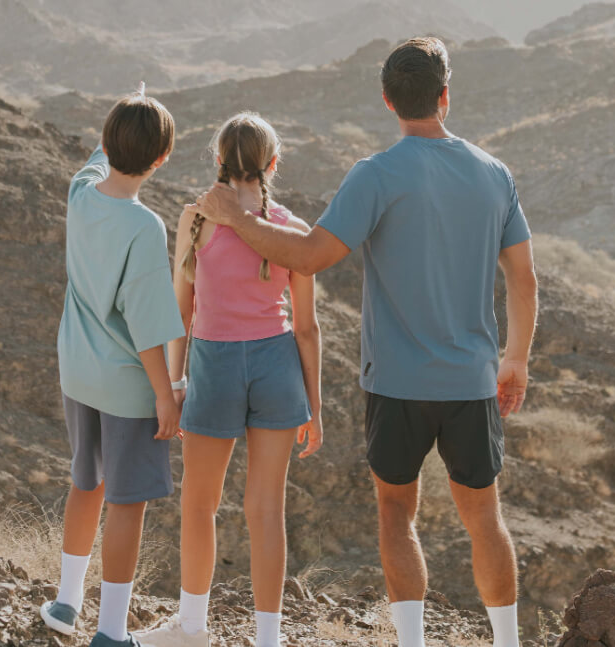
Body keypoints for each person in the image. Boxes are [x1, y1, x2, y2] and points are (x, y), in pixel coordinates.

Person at [191, 37, 539, 647]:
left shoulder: (375, 176)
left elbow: (307, 257)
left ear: (388, 102)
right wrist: (515, 359)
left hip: (397, 382)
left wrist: (237, 220)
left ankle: (412, 642)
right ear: (445, 97)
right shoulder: (494, 174)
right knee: (485, 518)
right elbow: (524, 277)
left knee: (396, 512)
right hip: (473, 380)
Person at [135, 113, 322, 647]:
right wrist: (315, 407)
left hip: (214, 365)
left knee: (200, 504)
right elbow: (307, 329)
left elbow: (181, 311)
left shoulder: (195, 219)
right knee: (266, 509)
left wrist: (173, 384)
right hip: (278, 367)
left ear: (218, 161)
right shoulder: (293, 230)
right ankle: (268, 639)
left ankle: (192, 627)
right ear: (272, 164)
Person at [43, 88, 188, 647]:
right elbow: (149, 329)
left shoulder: (80, 194)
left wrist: (132, 104)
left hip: (78, 373)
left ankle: (66, 602)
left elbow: (95, 160)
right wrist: (166, 396)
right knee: (127, 502)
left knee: (87, 483)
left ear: (104, 142)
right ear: (161, 160)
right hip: (128, 388)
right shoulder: (145, 227)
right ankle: (110, 633)